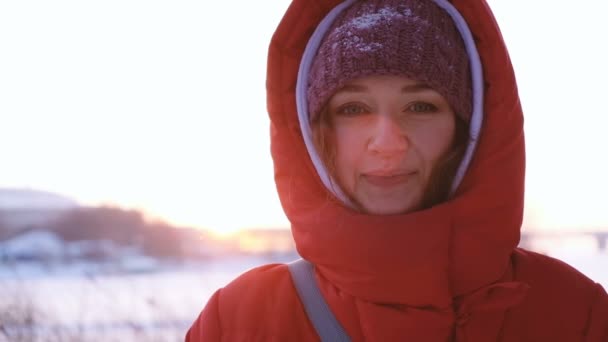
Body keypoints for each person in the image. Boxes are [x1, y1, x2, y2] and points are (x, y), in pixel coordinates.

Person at [187, 0, 608, 340]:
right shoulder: (242, 321)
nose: (388, 142)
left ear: (468, 128)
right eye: (352, 109)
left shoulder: (574, 313)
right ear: (314, 134)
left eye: (420, 106)